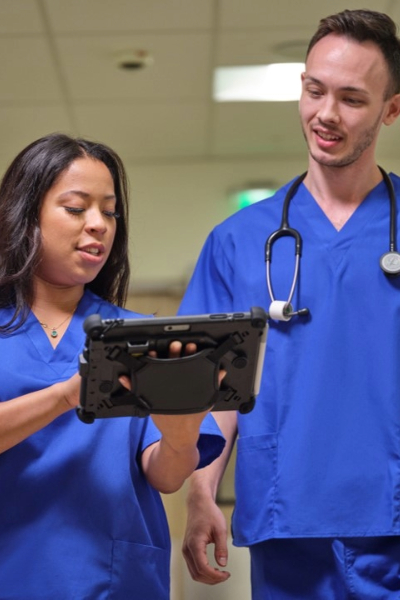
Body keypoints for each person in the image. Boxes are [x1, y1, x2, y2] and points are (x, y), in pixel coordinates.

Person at [179, 9, 400, 600]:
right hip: (289, 526)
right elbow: (211, 388)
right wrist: (201, 495)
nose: (326, 114)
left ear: (391, 109)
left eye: (352, 99)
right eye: (313, 90)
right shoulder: (236, 242)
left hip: (394, 518)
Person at [0, 133, 225, 600]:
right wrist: (67, 394)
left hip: (112, 582)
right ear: (25, 216)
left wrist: (181, 433)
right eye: (77, 208)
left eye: (110, 210)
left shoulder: (140, 336)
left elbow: (163, 475)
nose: (99, 224)